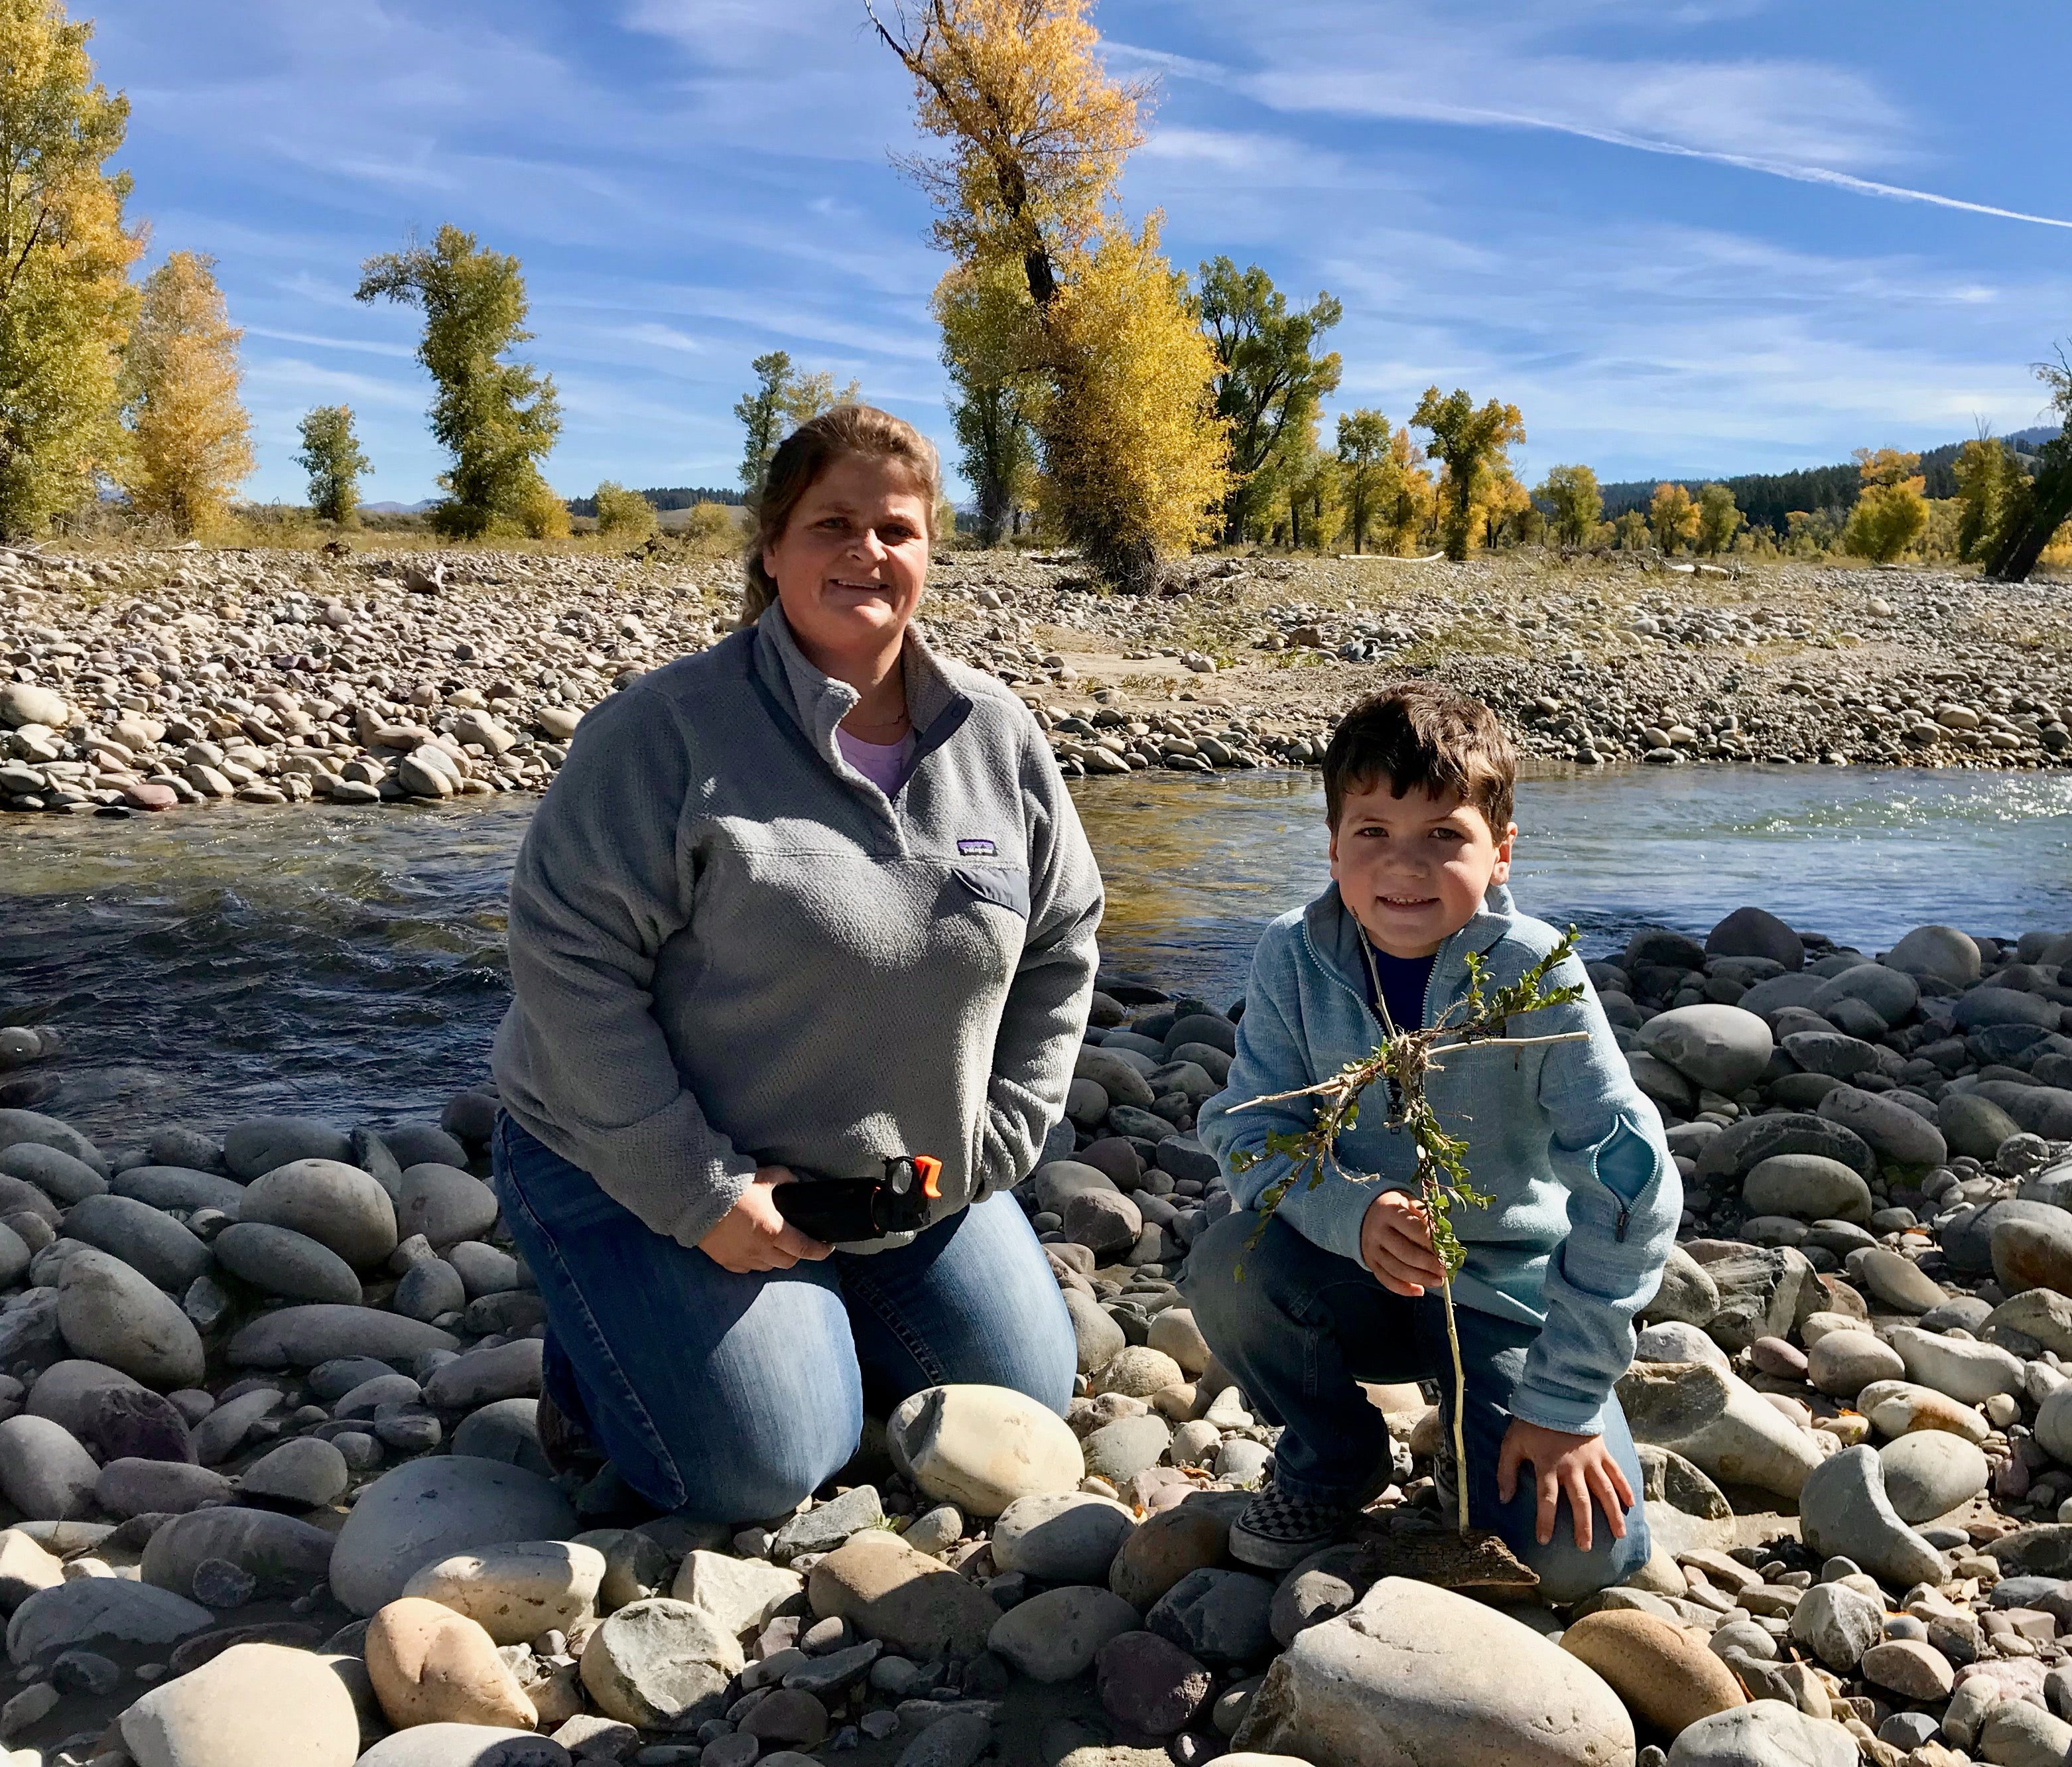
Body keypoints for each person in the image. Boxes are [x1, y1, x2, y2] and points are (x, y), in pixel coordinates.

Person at [489, 405, 1100, 1522]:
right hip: (643, 1159)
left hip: (899, 1182)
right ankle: (600, 1354)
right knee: (764, 1468)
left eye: (897, 529)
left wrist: (1002, 1134)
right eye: (832, 523)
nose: (867, 551)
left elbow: (1064, 937)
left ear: (930, 554)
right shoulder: (663, 732)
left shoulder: (997, 736)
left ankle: (798, 1315)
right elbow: (568, 966)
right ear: (771, 551)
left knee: (1023, 1401)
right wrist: (699, 1193)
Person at [1183, 682, 1676, 1599]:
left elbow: (1633, 1187)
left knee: (1581, 1562)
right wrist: (1351, 1212)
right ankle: (1333, 1460)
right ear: (1333, 848)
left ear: (1500, 854)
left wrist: (1564, 1402)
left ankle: (1471, 1434)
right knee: (1230, 1262)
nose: (1403, 867)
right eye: (1372, 833)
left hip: (1501, 1291)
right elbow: (1249, 1128)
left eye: (1444, 836)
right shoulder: (1292, 955)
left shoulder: (1537, 975)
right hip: (1347, 1276)